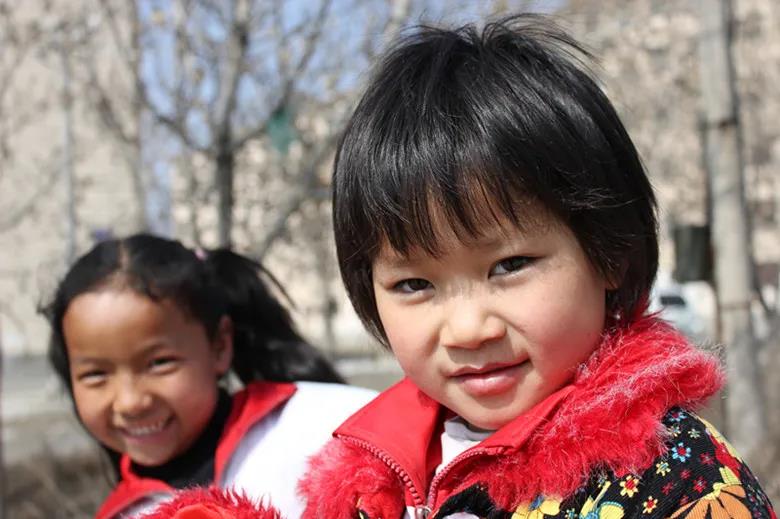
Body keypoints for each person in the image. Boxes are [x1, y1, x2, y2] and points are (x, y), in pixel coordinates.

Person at [299, 14, 776, 519]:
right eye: (414, 283)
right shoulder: (364, 480)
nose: (467, 330)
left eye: (509, 266)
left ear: (608, 253)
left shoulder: (678, 477)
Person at [42, 233, 376, 519]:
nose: (130, 402)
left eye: (158, 363)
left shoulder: (327, 426)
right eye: (96, 375)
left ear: (219, 347)